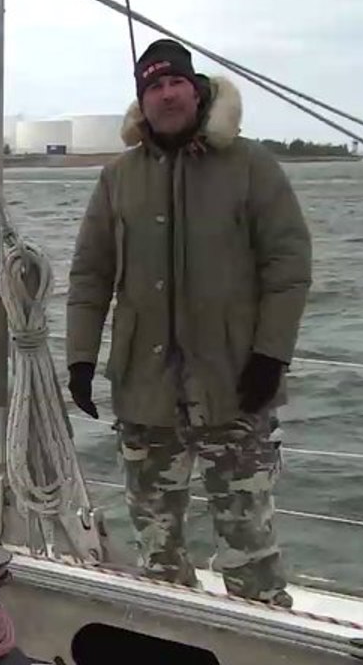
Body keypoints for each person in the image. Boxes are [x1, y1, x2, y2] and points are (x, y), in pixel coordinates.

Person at [64, 38, 311, 607]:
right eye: (153, 86)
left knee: (250, 547)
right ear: (141, 101)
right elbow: (90, 275)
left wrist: (272, 355)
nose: (167, 94)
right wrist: (81, 358)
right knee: (158, 551)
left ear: (196, 90)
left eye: (175, 82)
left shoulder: (252, 166)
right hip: (144, 394)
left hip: (236, 389)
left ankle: (261, 641)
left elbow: (289, 269)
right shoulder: (118, 178)